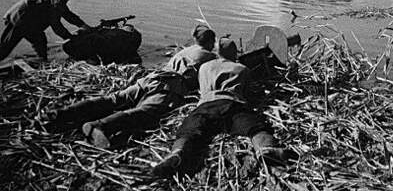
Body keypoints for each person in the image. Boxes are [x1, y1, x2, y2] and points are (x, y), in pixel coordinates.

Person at [43, 26, 217, 148]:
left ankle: (58, 114)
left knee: (115, 99)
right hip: (170, 86)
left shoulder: (185, 50)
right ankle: (100, 126)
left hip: (151, 78)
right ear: (210, 42)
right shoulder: (210, 57)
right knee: (145, 111)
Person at [152, 37, 297, 178]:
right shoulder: (242, 69)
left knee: (189, 130)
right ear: (233, 54)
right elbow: (250, 94)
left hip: (206, 106)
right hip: (232, 104)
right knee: (255, 127)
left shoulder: (204, 67)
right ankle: (266, 150)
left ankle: (177, 154)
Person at [1, 0, 91, 62]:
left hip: (29, 22)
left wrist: (82, 25)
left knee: (40, 40)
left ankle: (42, 61)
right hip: (18, 19)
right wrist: (70, 38)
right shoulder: (56, 3)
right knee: (4, 48)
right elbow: (56, 27)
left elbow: (68, 15)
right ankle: (42, 60)